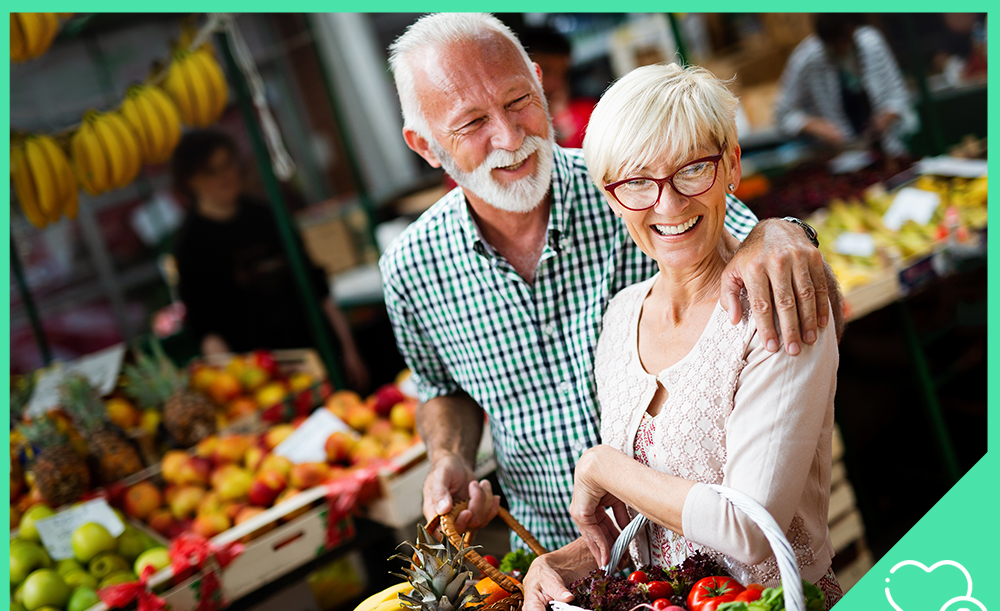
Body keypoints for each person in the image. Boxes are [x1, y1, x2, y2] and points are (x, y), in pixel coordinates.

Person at [380, 13, 840, 554]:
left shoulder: (629, 184)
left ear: (540, 81)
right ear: (426, 145)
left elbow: (753, 246)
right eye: (471, 123)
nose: (508, 137)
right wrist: (450, 456)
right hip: (553, 556)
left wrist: (781, 231)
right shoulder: (411, 269)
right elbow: (443, 389)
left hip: (692, 553)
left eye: (517, 101)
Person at [523, 63, 842, 611]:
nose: (667, 203)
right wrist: (564, 565)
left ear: (732, 166)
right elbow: (652, 515)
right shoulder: (620, 318)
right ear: (610, 195)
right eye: (637, 182)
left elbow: (747, 529)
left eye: (692, 169)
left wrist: (599, 466)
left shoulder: (776, 305)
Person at [171, 130, 369, 390]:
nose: (225, 176)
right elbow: (207, 327)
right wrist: (237, 387)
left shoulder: (266, 216)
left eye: (228, 164)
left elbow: (317, 287)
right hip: (265, 380)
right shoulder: (191, 246)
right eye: (211, 171)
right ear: (191, 181)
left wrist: (349, 351)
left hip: (319, 356)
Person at [773, 14, 918, 157]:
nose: (841, 48)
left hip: (889, 151)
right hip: (839, 158)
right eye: (834, 44)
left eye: (844, 40)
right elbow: (783, 116)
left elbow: (898, 94)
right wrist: (816, 126)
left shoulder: (872, 43)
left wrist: (886, 118)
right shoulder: (806, 59)